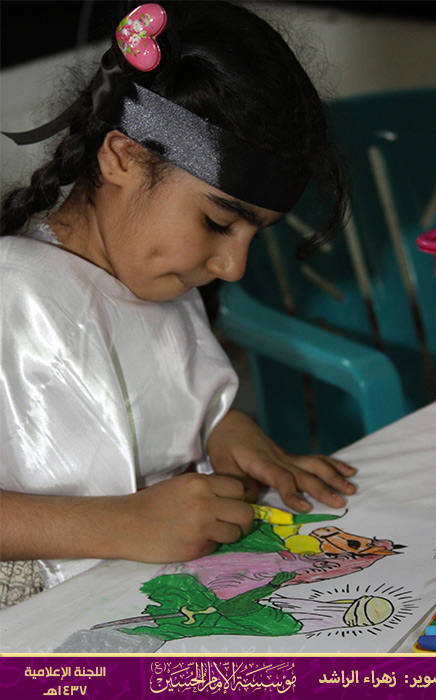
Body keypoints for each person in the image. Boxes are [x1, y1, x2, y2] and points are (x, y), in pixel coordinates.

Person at [0, 1, 356, 601]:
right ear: (123, 156)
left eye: (254, 237)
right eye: (218, 223)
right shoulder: (12, 291)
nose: (233, 267)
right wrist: (124, 524)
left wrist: (221, 429)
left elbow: (150, 403)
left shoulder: (161, 276)